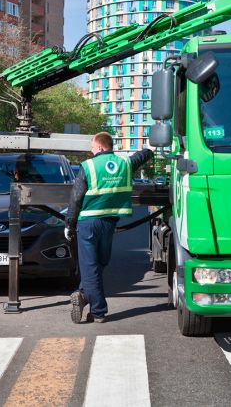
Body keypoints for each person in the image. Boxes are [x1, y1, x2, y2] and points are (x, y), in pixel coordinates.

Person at [64, 132, 153, 323]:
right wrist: (151, 149)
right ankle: (83, 295)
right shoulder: (125, 164)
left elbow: (76, 196)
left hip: (87, 223)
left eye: (93, 148)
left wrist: (69, 222)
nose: (92, 151)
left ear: (101, 148)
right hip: (109, 222)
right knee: (100, 263)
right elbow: (141, 157)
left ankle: (97, 310)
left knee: (90, 266)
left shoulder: (88, 166)